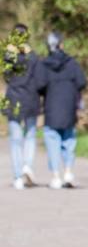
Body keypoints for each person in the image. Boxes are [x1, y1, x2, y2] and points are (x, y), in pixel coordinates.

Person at [3, 24, 47, 189]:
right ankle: (27, 165)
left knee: (15, 140)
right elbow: (42, 81)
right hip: (31, 101)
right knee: (30, 136)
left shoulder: (9, 57)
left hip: (14, 100)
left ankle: (17, 177)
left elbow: (6, 77)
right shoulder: (34, 58)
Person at [41, 31, 87, 189]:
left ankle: (55, 176)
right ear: (61, 44)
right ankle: (68, 171)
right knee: (69, 141)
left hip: (51, 109)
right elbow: (82, 82)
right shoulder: (72, 63)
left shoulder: (44, 64)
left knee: (52, 142)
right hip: (69, 108)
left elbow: (39, 86)